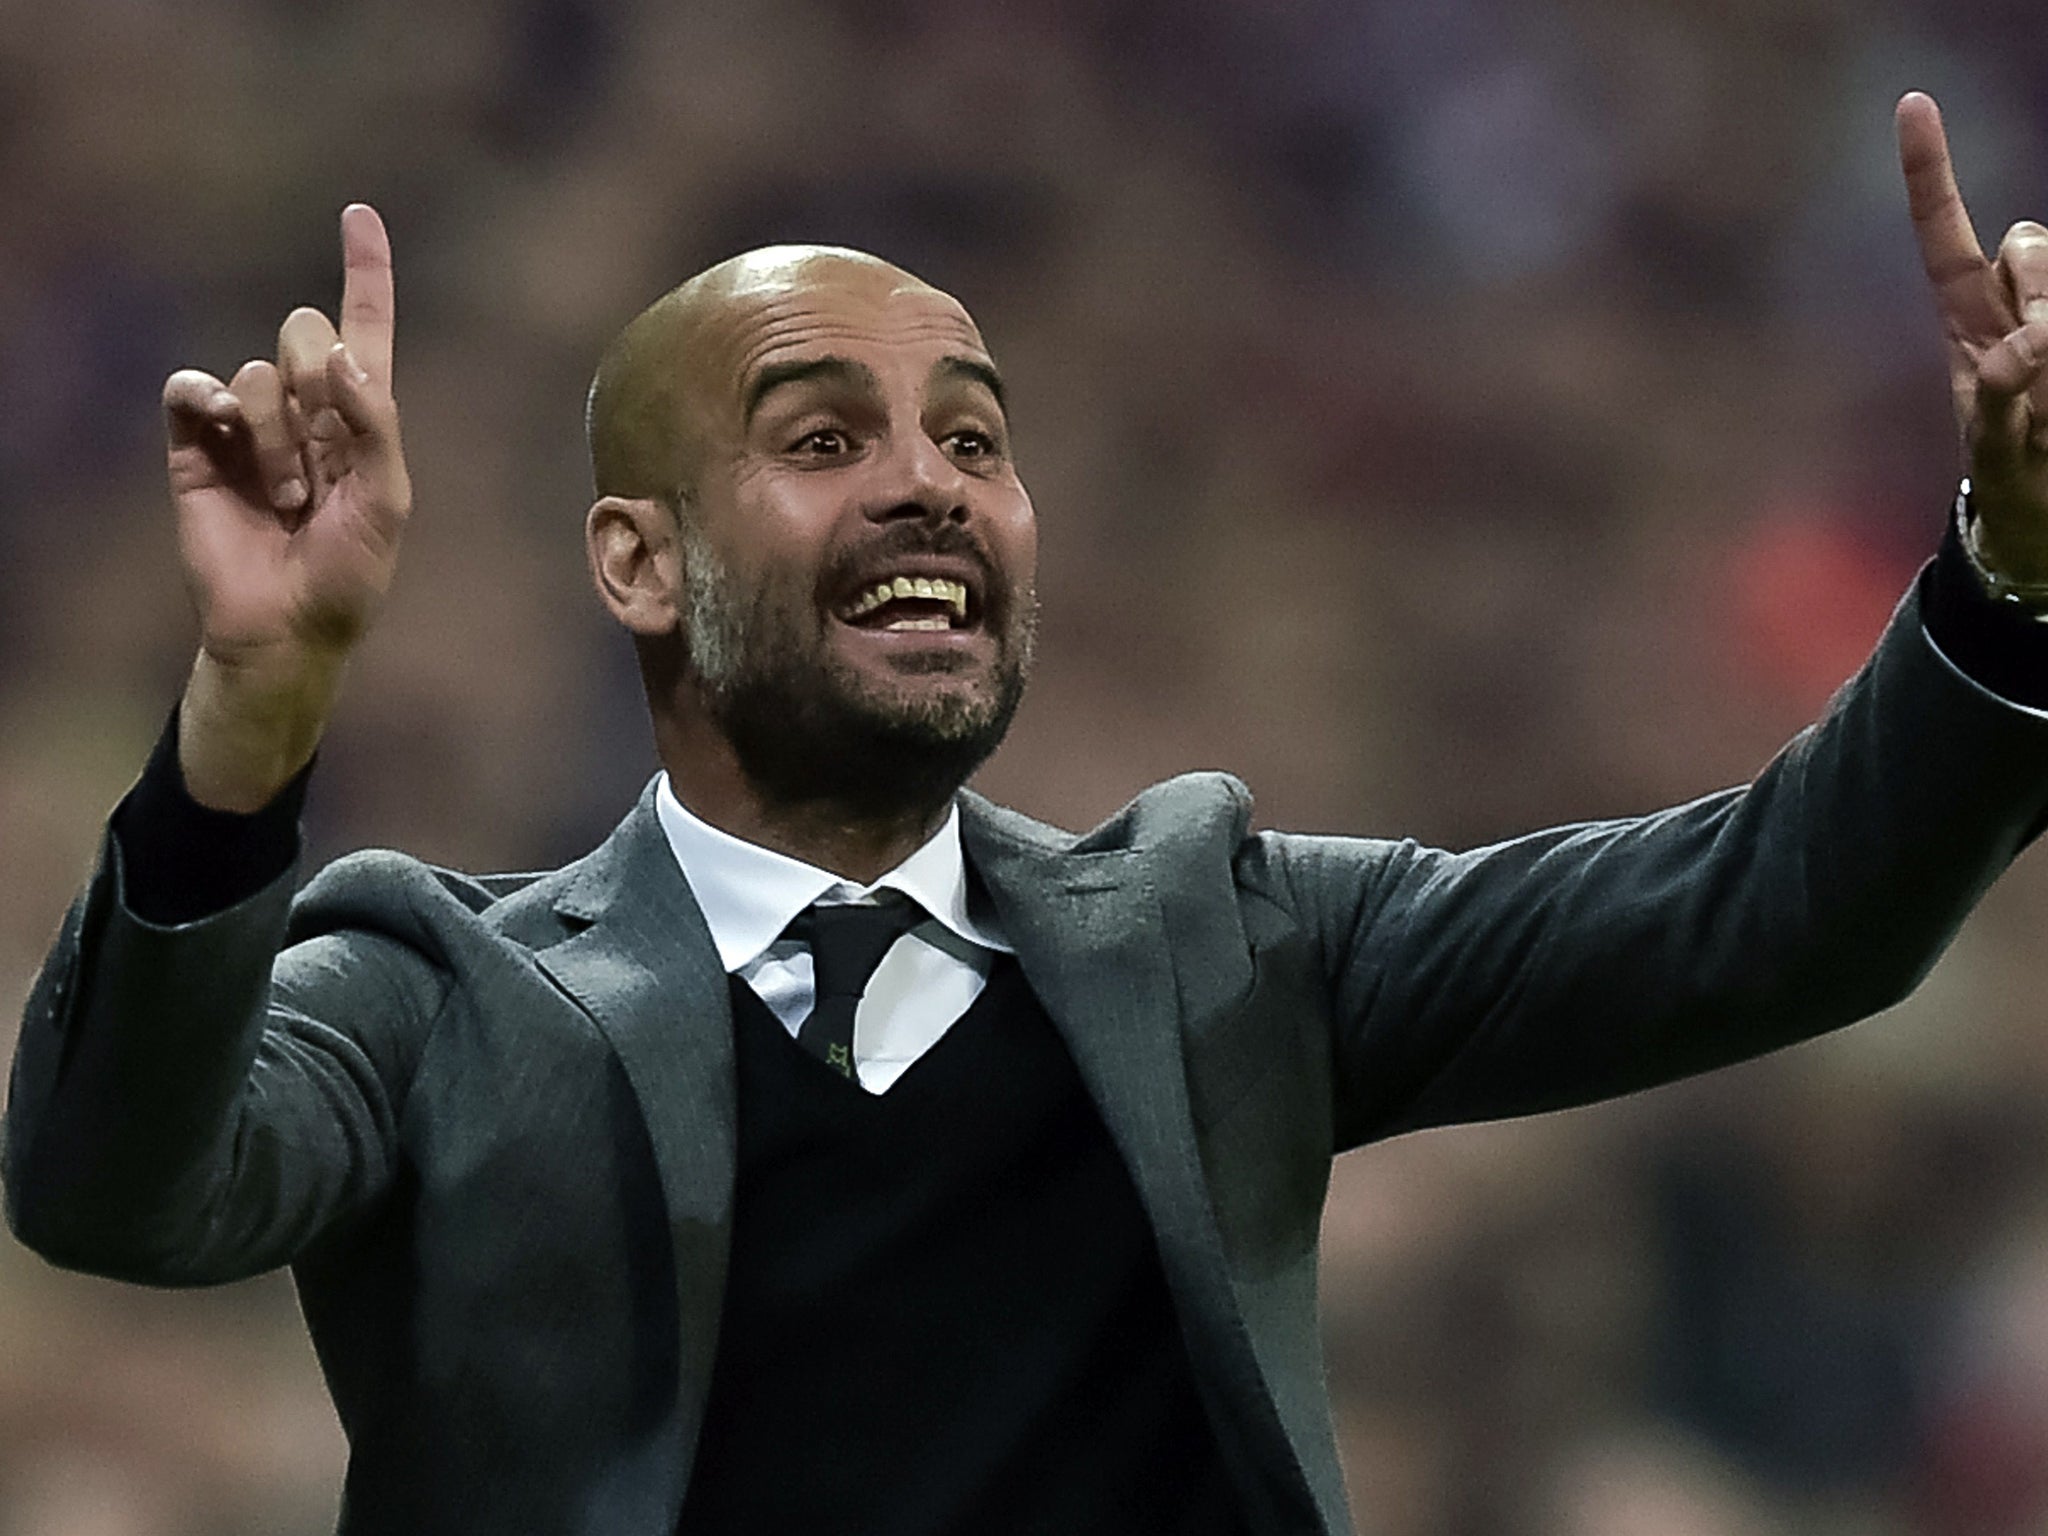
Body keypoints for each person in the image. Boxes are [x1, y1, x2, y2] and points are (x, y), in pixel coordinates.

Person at [5, 91, 2048, 1535]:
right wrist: (248, 733)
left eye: (973, 439)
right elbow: (118, 1190)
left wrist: (2009, 573)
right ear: (637, 564)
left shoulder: (1221, 935)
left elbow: (1786, 911)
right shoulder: (433, 993)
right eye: (825, 435)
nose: (929, 484)